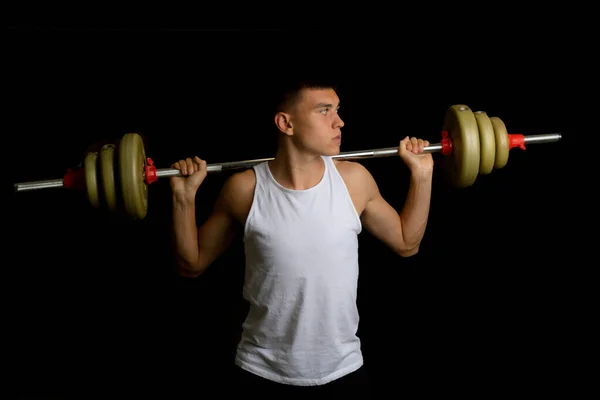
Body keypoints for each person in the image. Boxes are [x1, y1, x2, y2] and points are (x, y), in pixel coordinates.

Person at [169, 78, 434, 388]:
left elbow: (406, 243)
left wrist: (422, 176)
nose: (339, 121)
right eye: (324, 111)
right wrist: (183, 198)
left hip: (343, 368)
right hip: (260, 369)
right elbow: (191, 264)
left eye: (337, 109)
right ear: (286, 123)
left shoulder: (355, 181)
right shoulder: (244, 190)